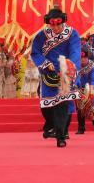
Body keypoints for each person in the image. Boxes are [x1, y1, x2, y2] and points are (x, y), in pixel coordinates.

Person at [30, 8, 81, 148]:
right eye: (53, 25)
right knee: (46, 106)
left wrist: (69, 65)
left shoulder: (72, 34)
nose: (56, 27)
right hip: (48, 73)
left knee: (62, 105)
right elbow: (35, 53)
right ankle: (51, 126)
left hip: (65, 73)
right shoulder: (42, 35)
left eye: (58, 24)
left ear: (63, 21)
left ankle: (61, 136)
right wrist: (46, 64)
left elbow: (75, 51)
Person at [75, 45, 94, 134]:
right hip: (80, 88)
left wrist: (91, 89)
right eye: (81, 58)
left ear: (87, 57)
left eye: (84, 57)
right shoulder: (76, 65)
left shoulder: (92, 66)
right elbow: (75, 78)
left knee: (92, 106)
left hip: (91, 88)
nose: (83, 59)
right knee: (80, 108)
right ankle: (81, 128)